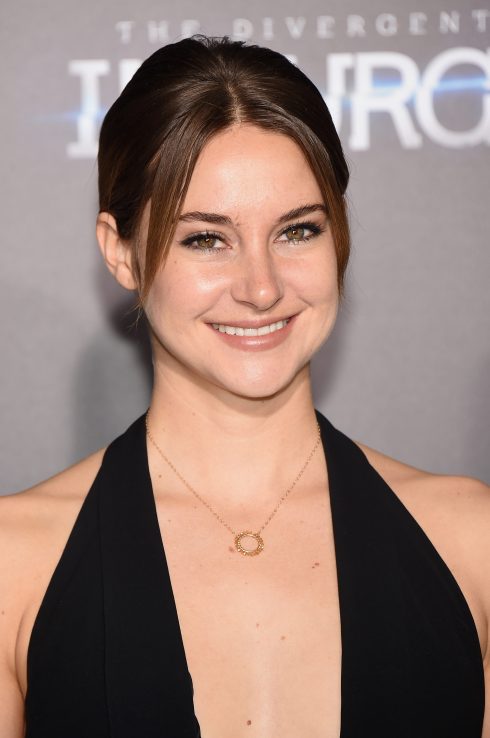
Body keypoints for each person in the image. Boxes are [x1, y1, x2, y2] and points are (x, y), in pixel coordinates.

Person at [0, 35, 488, 738]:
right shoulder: (17, 567)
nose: (262, 287)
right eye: (206, 238)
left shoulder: (473, 545)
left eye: (297, 231)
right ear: (121, 252)